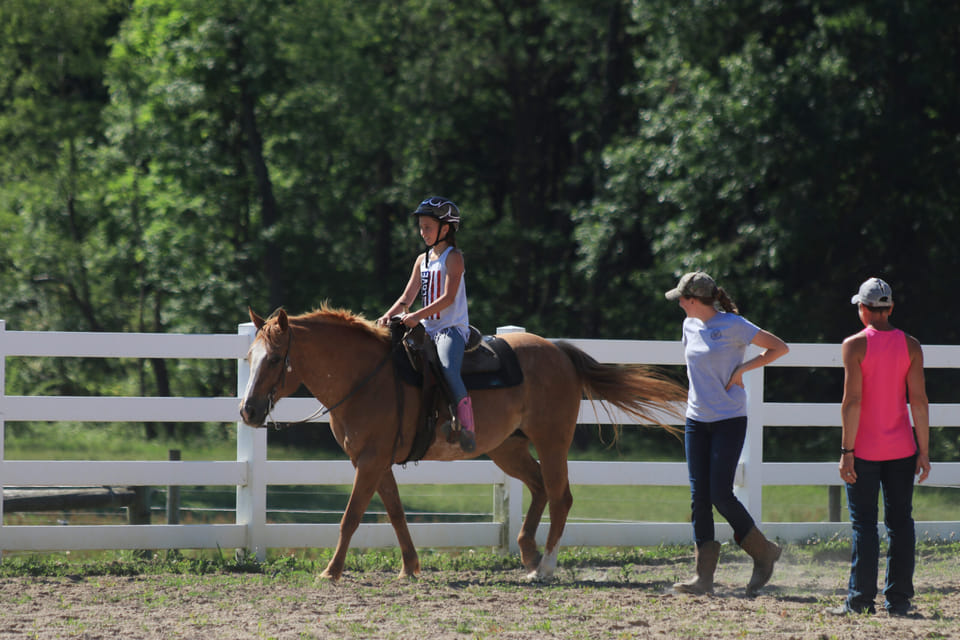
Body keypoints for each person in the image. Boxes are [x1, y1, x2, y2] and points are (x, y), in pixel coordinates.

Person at [665, 271, 790, 596]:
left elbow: (779, 348)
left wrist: (742, 369)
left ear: (695, 300)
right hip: (696, 420)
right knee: (699, 498)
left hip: (728, 419)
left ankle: (763, 552)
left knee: (720, 494)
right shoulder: (688, 325)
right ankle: (703, 578)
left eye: (682, 298)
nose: (679, 303)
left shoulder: (734, 325)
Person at [827, 277, 930, 616]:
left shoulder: (854, 345)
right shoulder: (911, 345)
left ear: (863, 309)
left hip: (864, 451)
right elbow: (919, 402)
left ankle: (859, 601)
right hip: (902, 449)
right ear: (891, 308)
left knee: (864, 525)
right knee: (900, 524)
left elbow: (852, 402)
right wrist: (924, 450)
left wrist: (846, 452)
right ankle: (899, 601)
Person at [377, 196, 476, 453]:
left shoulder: (454, 258)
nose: (423, 232)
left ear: (446, 228)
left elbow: (448, 298)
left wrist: (416, 316)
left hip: (450, 329)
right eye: (421, 227)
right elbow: (407, 298)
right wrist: (387, 315)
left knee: (448, 368)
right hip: (426, 328)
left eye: (428, 227)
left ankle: (467, 426)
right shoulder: (422, 260)